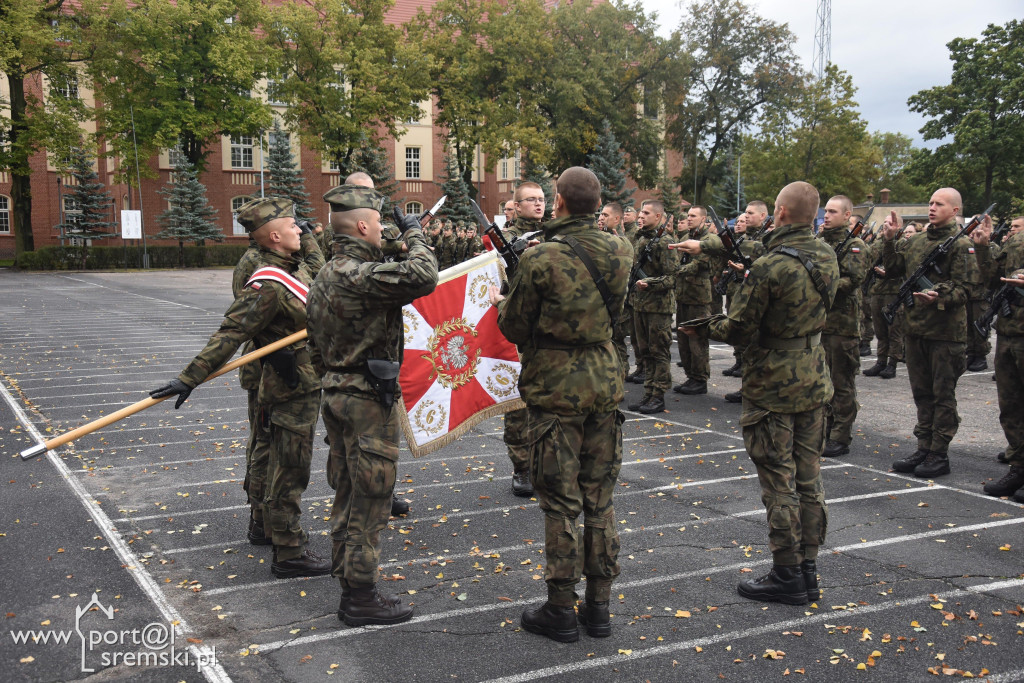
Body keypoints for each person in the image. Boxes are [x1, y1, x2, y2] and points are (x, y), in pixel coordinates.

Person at [149, 197, 329, 578]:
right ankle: (289, 551)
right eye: (294, 226)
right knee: (288, 468)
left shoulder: (289, 269)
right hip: (286, 388)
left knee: (288, 464)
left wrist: (310, 238)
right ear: (276, 236)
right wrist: (190, 376)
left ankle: (279, 536)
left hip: (303, 383)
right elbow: (231, 332)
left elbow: (316, 273)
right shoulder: (267, 283)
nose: (300, 229)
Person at [488, 167, 632, 642]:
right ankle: (599, 607)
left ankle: (559, 608)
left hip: (556, 386)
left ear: (559, 202)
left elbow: (514, 328)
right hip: (605, 381)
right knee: (600, 498)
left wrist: (498, 301)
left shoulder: (541, 257)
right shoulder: (621, 249)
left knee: (560, 502)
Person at [682, 181, 838, 605]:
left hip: (773, 383)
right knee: (809, 479)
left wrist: (705, 324)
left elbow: (739, 327)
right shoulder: (826, 254)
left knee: (778, 481)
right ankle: (808, 567)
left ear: (781, 214)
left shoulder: (772, 265)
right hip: (813, 375)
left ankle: (787, 572)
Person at [306, 185, 438, 626]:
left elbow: (315, 345)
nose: (383, 230)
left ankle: (348, 576)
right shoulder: (357, 274)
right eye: (379, 224)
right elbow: (424, 275)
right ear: (363, 226)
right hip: (365, 400)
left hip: (337, 392)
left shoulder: (326, 273)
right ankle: (360, 597)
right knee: (371, 500)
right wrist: (416, 233)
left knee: (347, 492)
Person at [883, 189, 979, 477]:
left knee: (942, 395)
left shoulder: (961, 245)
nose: (932, 207)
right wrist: (890, 241)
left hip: (945, 334)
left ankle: (939, 453)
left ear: (955, 210)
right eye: (930, 203)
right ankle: (924, 446)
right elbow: (893, 269)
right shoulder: (918, 241)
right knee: (922, 393)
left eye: (939, 204)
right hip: (915, 330)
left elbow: (969, 288)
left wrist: (939, 296)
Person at [974, 215, 1024, 499]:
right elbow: (992, 280)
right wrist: (983, 246)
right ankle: (1019, 467)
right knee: (1012, 407)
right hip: (1008, 333)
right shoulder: (1015, 241)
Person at [502, 181, 547, 497]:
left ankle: (548, 464)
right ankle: (522, 468)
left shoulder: (554, 237)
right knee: (517, 403)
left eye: (542, 199)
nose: (538, 204)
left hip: (547, 330)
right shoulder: (501, 240)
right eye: (531, 199)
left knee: (550, 401)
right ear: (516, 206)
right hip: (515, 331)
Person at [818, 196, 869, 457]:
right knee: (822, 382)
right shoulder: (819, 242)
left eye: (832, 211)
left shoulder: (855, 245)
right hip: (820, 323)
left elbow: (854, 280)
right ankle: (824, 429)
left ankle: (840, 435)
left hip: (842, 325)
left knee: (841, 382)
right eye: (825, 211)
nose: (826, 216)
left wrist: (825, 283)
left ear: (848, 215)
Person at [629, 200, 677, 413]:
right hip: (640, 304)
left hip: (658, 307)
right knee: (645, 351)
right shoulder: (640, 239)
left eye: (646, 213)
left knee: (659, 352)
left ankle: (658, 395)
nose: (641, 216)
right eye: (641, 212)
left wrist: (650, 283)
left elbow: (672, 278)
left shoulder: (665, 242)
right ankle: (648, 393)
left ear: (658, 217)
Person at [672, 206, 712, 395]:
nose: (689, 219)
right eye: (687, 215)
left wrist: (676, 270)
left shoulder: (706, 241)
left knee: (697, 338)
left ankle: (700, 378)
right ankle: (690, 375)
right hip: (683, 294)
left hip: (698, 296)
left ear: (703, 219)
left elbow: (699, 263)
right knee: (683, 338)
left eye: (693, 216)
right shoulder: (685, 238)